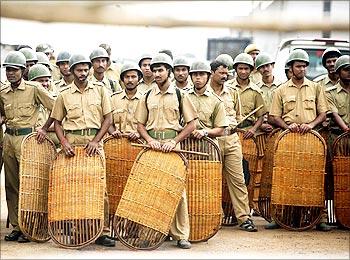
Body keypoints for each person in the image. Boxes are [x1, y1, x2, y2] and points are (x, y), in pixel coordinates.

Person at [50, 53, 115, 247]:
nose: (83, 73)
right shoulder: (64, 94)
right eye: (79, 70)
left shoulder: (101, 90)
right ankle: (79, 231)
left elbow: (108, 120)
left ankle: (101, 231)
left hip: (94, 144)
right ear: (72, 70)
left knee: (100, 188)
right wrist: (64, 143)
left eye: (86, 69)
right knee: (75, 188)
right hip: (73, 144)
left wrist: (96, 141)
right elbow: (57, 122)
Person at [135, 53, 197, 249]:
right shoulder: (146, 96)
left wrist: (174, 140)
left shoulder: (181, 95)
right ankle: (150, 232)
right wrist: (150, 140)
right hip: (152, 148)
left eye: (161, 70)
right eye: (154, 70)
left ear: (169, 72)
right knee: (150, 189)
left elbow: (192, 124)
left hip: (173, 148)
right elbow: (140, 125)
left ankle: (181, 235)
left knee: (177, 191)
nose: (157, 73)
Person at [268, 49, 331, 231]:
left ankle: (320, 218)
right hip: (288, 139)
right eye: (298, 66)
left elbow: (323, 114)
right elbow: (274, 116)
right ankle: (279, 216)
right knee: (283, 177)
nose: (302, 69)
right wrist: (287, 126)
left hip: (311, 140)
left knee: (315, 177)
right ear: (291, 68)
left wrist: (311, 125)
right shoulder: (281, 90)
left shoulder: (316, 87)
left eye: (304, 66)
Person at [0, 51, 55, 243]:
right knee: (11, 185)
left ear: (23, 70)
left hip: (29, 141)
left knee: (29, 185)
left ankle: (29, 226)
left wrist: (45, 128)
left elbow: (55, 108)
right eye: (8, 70)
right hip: (9, 139)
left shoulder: (34, 88)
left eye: (14, 70)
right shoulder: (3, 92)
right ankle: (16, 226)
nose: (10, 73)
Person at [209, 59, 258, 232]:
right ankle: (213, 218)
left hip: (231, 139)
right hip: (211, 141)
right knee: (211, 181)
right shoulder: (203, 93)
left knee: (238, 180)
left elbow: (237, 115)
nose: (225, 76)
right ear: (212, 72)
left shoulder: (232, 92)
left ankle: (244, 218)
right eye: (221, 73)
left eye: (226, 73)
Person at [231, 53, 267, 139]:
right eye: (240, 68)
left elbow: (261, 116)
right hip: (230, 132)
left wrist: (253, 130)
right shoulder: (227, 87)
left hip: (247, 134)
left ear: (251, 70)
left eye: (246, 68)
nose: (243, 71)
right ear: (236, 69)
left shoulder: (256, 91)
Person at [108, 62, 143, 140]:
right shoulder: (113, 98)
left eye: (133, 77)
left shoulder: (145, 99)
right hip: (117, 143)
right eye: (127, 77)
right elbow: (107, 121)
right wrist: (113, 132)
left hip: (139, 143)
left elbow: (150, 123)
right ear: (122, 79)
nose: (130, 80)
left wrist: (139, 133)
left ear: (139, 79)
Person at [255, 52, 282, 132]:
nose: (265, 69)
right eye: (262, 67)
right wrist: (261, 125)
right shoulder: (255, 88)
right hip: (260, 128)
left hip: (279, 128)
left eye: (267, 66)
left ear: (272, 66)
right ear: (258, 70)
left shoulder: (282, 86)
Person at [325, 55, 350, 136]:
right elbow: (334, 114)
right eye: (346, 70)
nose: (349, 72)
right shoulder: (330, 92)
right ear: (338, 72)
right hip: (337, 136)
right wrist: (346, 129)